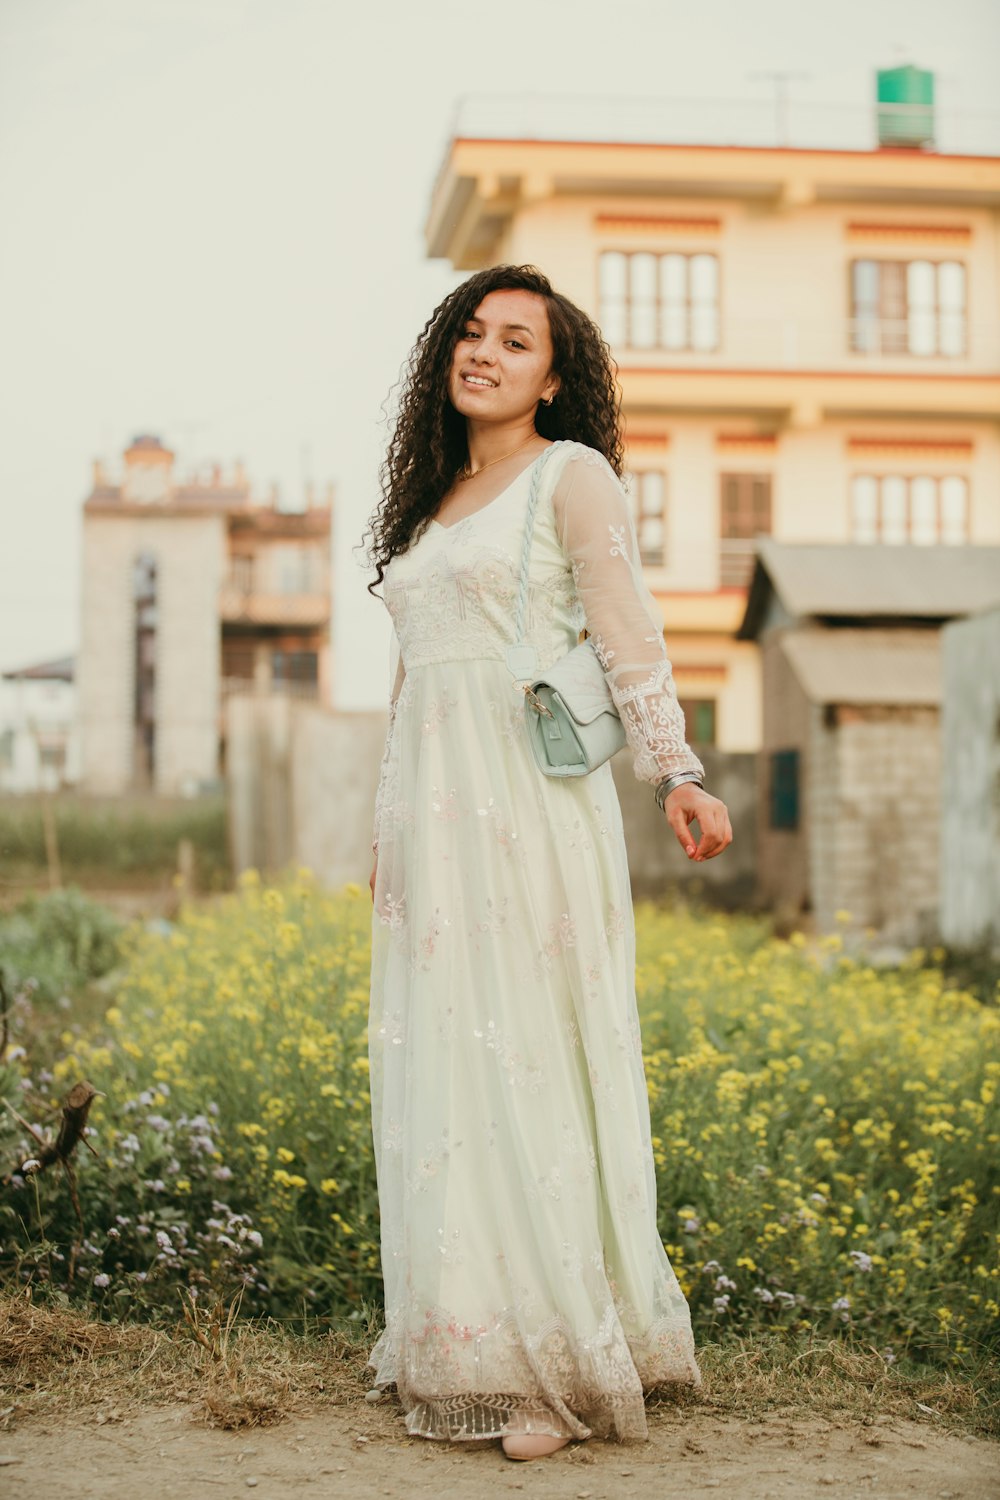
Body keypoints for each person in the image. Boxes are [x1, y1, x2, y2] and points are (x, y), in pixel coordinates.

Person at [362, 264, 732, 1462]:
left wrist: (675, 770)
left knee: (525, 1054)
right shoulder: (430, 504)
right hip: (434, 813)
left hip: (526, 804)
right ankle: (461, 1334)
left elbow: (628, 631)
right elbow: (411, 683)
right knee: (451, 1065)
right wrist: (386, 831)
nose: (484, 353)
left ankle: (555, 1372)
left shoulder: (572, 478)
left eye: (514, 341)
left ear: (553, 375)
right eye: (470, 334)